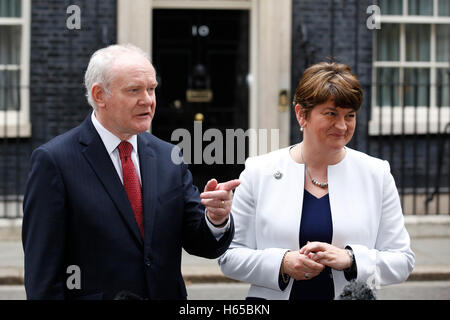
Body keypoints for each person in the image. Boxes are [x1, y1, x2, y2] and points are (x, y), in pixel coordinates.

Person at [22, 44, 239, 300]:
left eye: (151, 89)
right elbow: (43, 282)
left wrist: (216, 219)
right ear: (100, 95)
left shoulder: (168, 156)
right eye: (134, 90)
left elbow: (200, 242)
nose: (147, 100)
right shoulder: (55, 162)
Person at [218, 61, 415, 300]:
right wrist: (282, 263)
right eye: (331, 113)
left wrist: (352, 260)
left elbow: (403, 260)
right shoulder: (259, 171)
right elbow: (230, 257)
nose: (342, 125)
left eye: (349, 115)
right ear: (302, 114)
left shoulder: (377, 174)